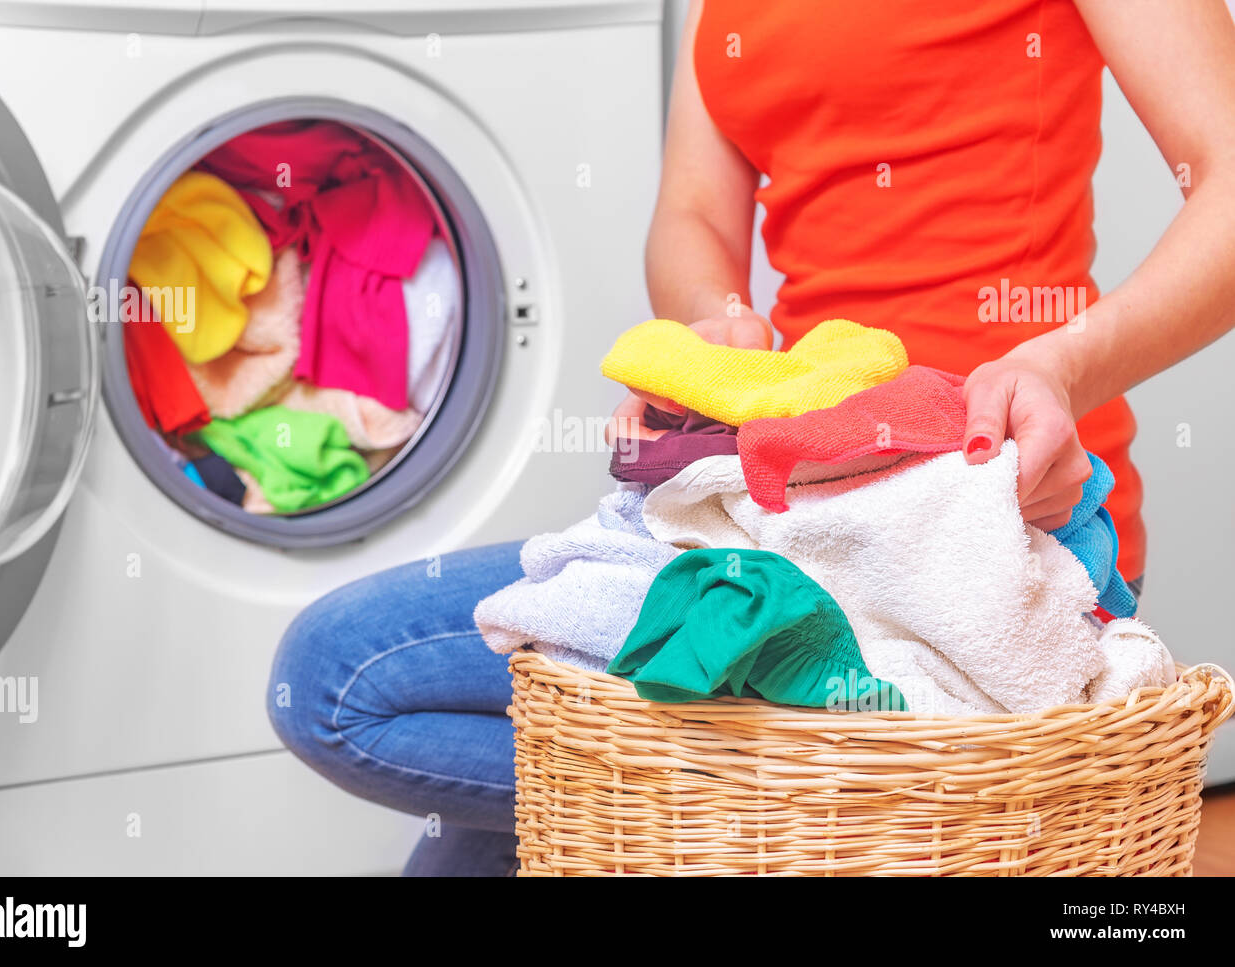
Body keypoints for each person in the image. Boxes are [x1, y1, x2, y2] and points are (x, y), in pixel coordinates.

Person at [268, 0, 1235, 875]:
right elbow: (692, 214)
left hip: (994, 521)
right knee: (441, 834)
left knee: (338, 680)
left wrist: (1060, 367)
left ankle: (732, 819)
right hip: (780, 502)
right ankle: (746, 819)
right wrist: (717, 327)